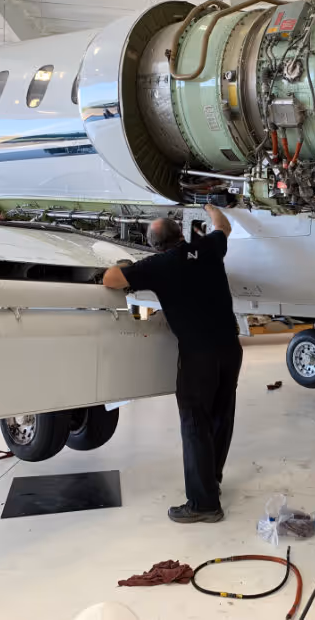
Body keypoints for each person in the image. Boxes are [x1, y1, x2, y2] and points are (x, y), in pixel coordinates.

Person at [102, 204, 242, 524]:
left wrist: (127, 263)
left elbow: (111, 279)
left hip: (199, 355)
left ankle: (203, 504)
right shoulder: (208, 248)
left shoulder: (156, 265)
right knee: (220, 416)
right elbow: (223, 227)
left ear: (154, 244)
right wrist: (210, 207)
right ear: (182, 234)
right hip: (230, 349)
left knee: (195, 424)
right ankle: (212, 482)